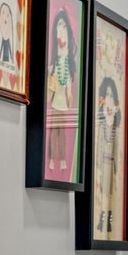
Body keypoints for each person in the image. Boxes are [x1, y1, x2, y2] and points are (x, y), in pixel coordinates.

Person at [45, 10, 78, 177]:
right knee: (53, 131)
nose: (62, 29)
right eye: (59, 25)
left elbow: (70, 85)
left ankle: (62, 158)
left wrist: (69, 94)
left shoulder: (68, 60)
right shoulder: (55, 59)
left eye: (64, 26)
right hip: (55, 100)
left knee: (62, 132)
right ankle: (52, 158)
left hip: (64, 102)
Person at [92, 74, 123, 235]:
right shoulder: (103, 123)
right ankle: (102, 218)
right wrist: (97, 163)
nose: (109, 99)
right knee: (103, 192)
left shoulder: (115, 124)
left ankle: (108, 219)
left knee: (109, 193)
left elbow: (117, 148)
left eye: (112, 95)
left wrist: (117, 167)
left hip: (111, 165)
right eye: (107, 95)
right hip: (103, 163)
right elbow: (98, 143)